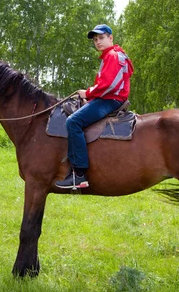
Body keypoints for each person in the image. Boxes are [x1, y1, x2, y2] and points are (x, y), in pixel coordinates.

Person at [55, 24, 134, 189]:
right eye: (95, 40)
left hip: (109, 100)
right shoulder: (113, 55)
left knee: (73, 122)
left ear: (110, 38)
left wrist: (88, 93)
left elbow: (109, 85)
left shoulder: (113, 55)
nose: (98, 42)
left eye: (101, 38)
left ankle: (79, 174)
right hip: (108, 98)